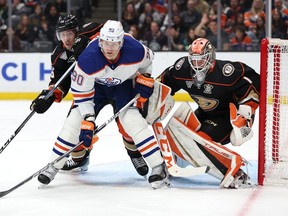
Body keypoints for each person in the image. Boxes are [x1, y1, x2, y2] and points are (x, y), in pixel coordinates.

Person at [31, 15, 148, 185]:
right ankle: (80, 159)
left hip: (117, 82)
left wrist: (86, 41)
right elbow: (60, 81)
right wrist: (47, 97)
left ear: (76, 31)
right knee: (76, 126)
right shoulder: (59, 55)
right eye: (62, 35)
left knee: (128, 123)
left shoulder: (92, 29)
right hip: (89, 90)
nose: (66, 39)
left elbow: (113, 36)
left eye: (69, 34)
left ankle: (135, 155)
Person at [69, 20, 169, 189]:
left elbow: (147, 61)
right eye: (106, 42)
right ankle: (79, 158)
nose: (109, 47)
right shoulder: (86, 50)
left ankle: (143, 158)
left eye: (113, 42)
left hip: (123, 85)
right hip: (96, 88)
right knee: (76, 125)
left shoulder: (133, 48)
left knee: (131, 125)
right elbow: (75, 84)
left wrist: (145, 77)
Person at [157, 38, 260, 188]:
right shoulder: (182, 69)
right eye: (194, 59)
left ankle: (235, 171)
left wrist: (245, 116)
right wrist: (148, 93)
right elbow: (162, 84)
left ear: (210, 58)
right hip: (205, 113)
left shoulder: (226, 72)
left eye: (201, 59)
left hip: (228, 116)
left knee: (200, 139)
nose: (197, 64)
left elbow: (253, 82)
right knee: (177, 130)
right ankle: (174, 160)